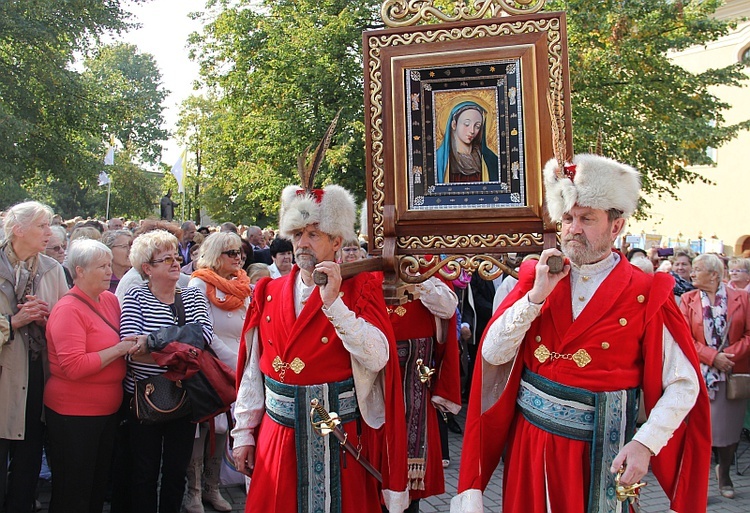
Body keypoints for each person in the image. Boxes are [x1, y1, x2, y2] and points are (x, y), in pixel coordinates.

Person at [452, 154, 711, 513]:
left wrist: (646, 444)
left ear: (615, 227)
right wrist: (534, 298)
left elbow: (684, 384)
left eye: (587, 218)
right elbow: (492, 355)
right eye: (568, 218)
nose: (574, 228)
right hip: (530, 445)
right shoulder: (536, 278)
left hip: (600, 455)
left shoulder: (647, 292)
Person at [232, 184, 409, 512]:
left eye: (314, 233)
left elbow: (378, 356)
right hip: (278, 438)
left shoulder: (360, 288)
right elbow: (252, 373)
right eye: (297, 233)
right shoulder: (267, 291)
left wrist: (335, 306)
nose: (302, 243)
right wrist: (243, 432)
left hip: (339, 440)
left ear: (337, 241)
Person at [120, 230, 213, 513]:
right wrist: (177, 343)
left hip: (184, 396)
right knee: (144, 473)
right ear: (147, 268)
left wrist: (153, 342)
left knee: (176, 472)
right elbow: (130, 344)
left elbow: (203, 338)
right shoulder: (135, 295)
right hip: (142, 398)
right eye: (166, 259)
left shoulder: (193, 296)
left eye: (176, 256)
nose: (176, 263)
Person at [44, 239, 138, 513]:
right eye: (101, 266)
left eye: (110, 264)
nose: (109, 271)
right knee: (73, 491)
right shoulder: (68, 309)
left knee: (96, 486)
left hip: (106, 412)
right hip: (73, 414)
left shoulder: (109, 299)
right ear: (79, 271)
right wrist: (119, 349)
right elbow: (74, 366)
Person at [0, 201, 68, 513]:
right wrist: (13, 322)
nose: (49, 232)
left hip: (37, 376)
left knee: (29, 455)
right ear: (18, 229)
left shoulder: (53, 270)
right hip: (4, 375)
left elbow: (67, 326)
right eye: (42, 226)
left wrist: (47, 319)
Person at [185, 232, 253, 513]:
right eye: (231, 253)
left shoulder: (242, 284)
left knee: (228, 430)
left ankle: (213, 488)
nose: (238, 258)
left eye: (239, 253)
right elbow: (202, 330)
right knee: (206, 431)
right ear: (216, 255)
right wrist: (233, 362)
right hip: (212, 367)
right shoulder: (198, 284)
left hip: (242, 365)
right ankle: (194, 493)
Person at [387, 269, 461, 512]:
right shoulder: (371, 276)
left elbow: (447, 309)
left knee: (413, 483)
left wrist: (418, 276)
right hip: (378, 386)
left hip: (416, 384)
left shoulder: (428, 275)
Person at [679, 253, 750, 499]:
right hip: (700, 374)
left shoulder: (743, 298)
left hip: (731, 375)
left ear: (714, 275)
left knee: (729, 433)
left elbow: (749, 334)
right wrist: (711, 356)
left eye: (698, 269)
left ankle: (725, 473)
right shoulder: (687, 300)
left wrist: (728, 357)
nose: (692, 273)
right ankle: (700, 485)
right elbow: (683, 337)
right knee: (699, 433)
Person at [115, 220, 190, 304]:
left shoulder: (192, 294)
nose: (175, 264)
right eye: (168, 259)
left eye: (177, 258)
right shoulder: (134, 285)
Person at [435, 101, 499, 184]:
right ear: (454, 124)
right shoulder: (438, 160)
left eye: (477, 126)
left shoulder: (490, 160)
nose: (472, 131)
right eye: (466, 124)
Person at [101, 229, 133, 294]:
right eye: (124, 246)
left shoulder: (137, 278)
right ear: (109, 249)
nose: (130, 250)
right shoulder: (102, 279)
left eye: (132, 246)